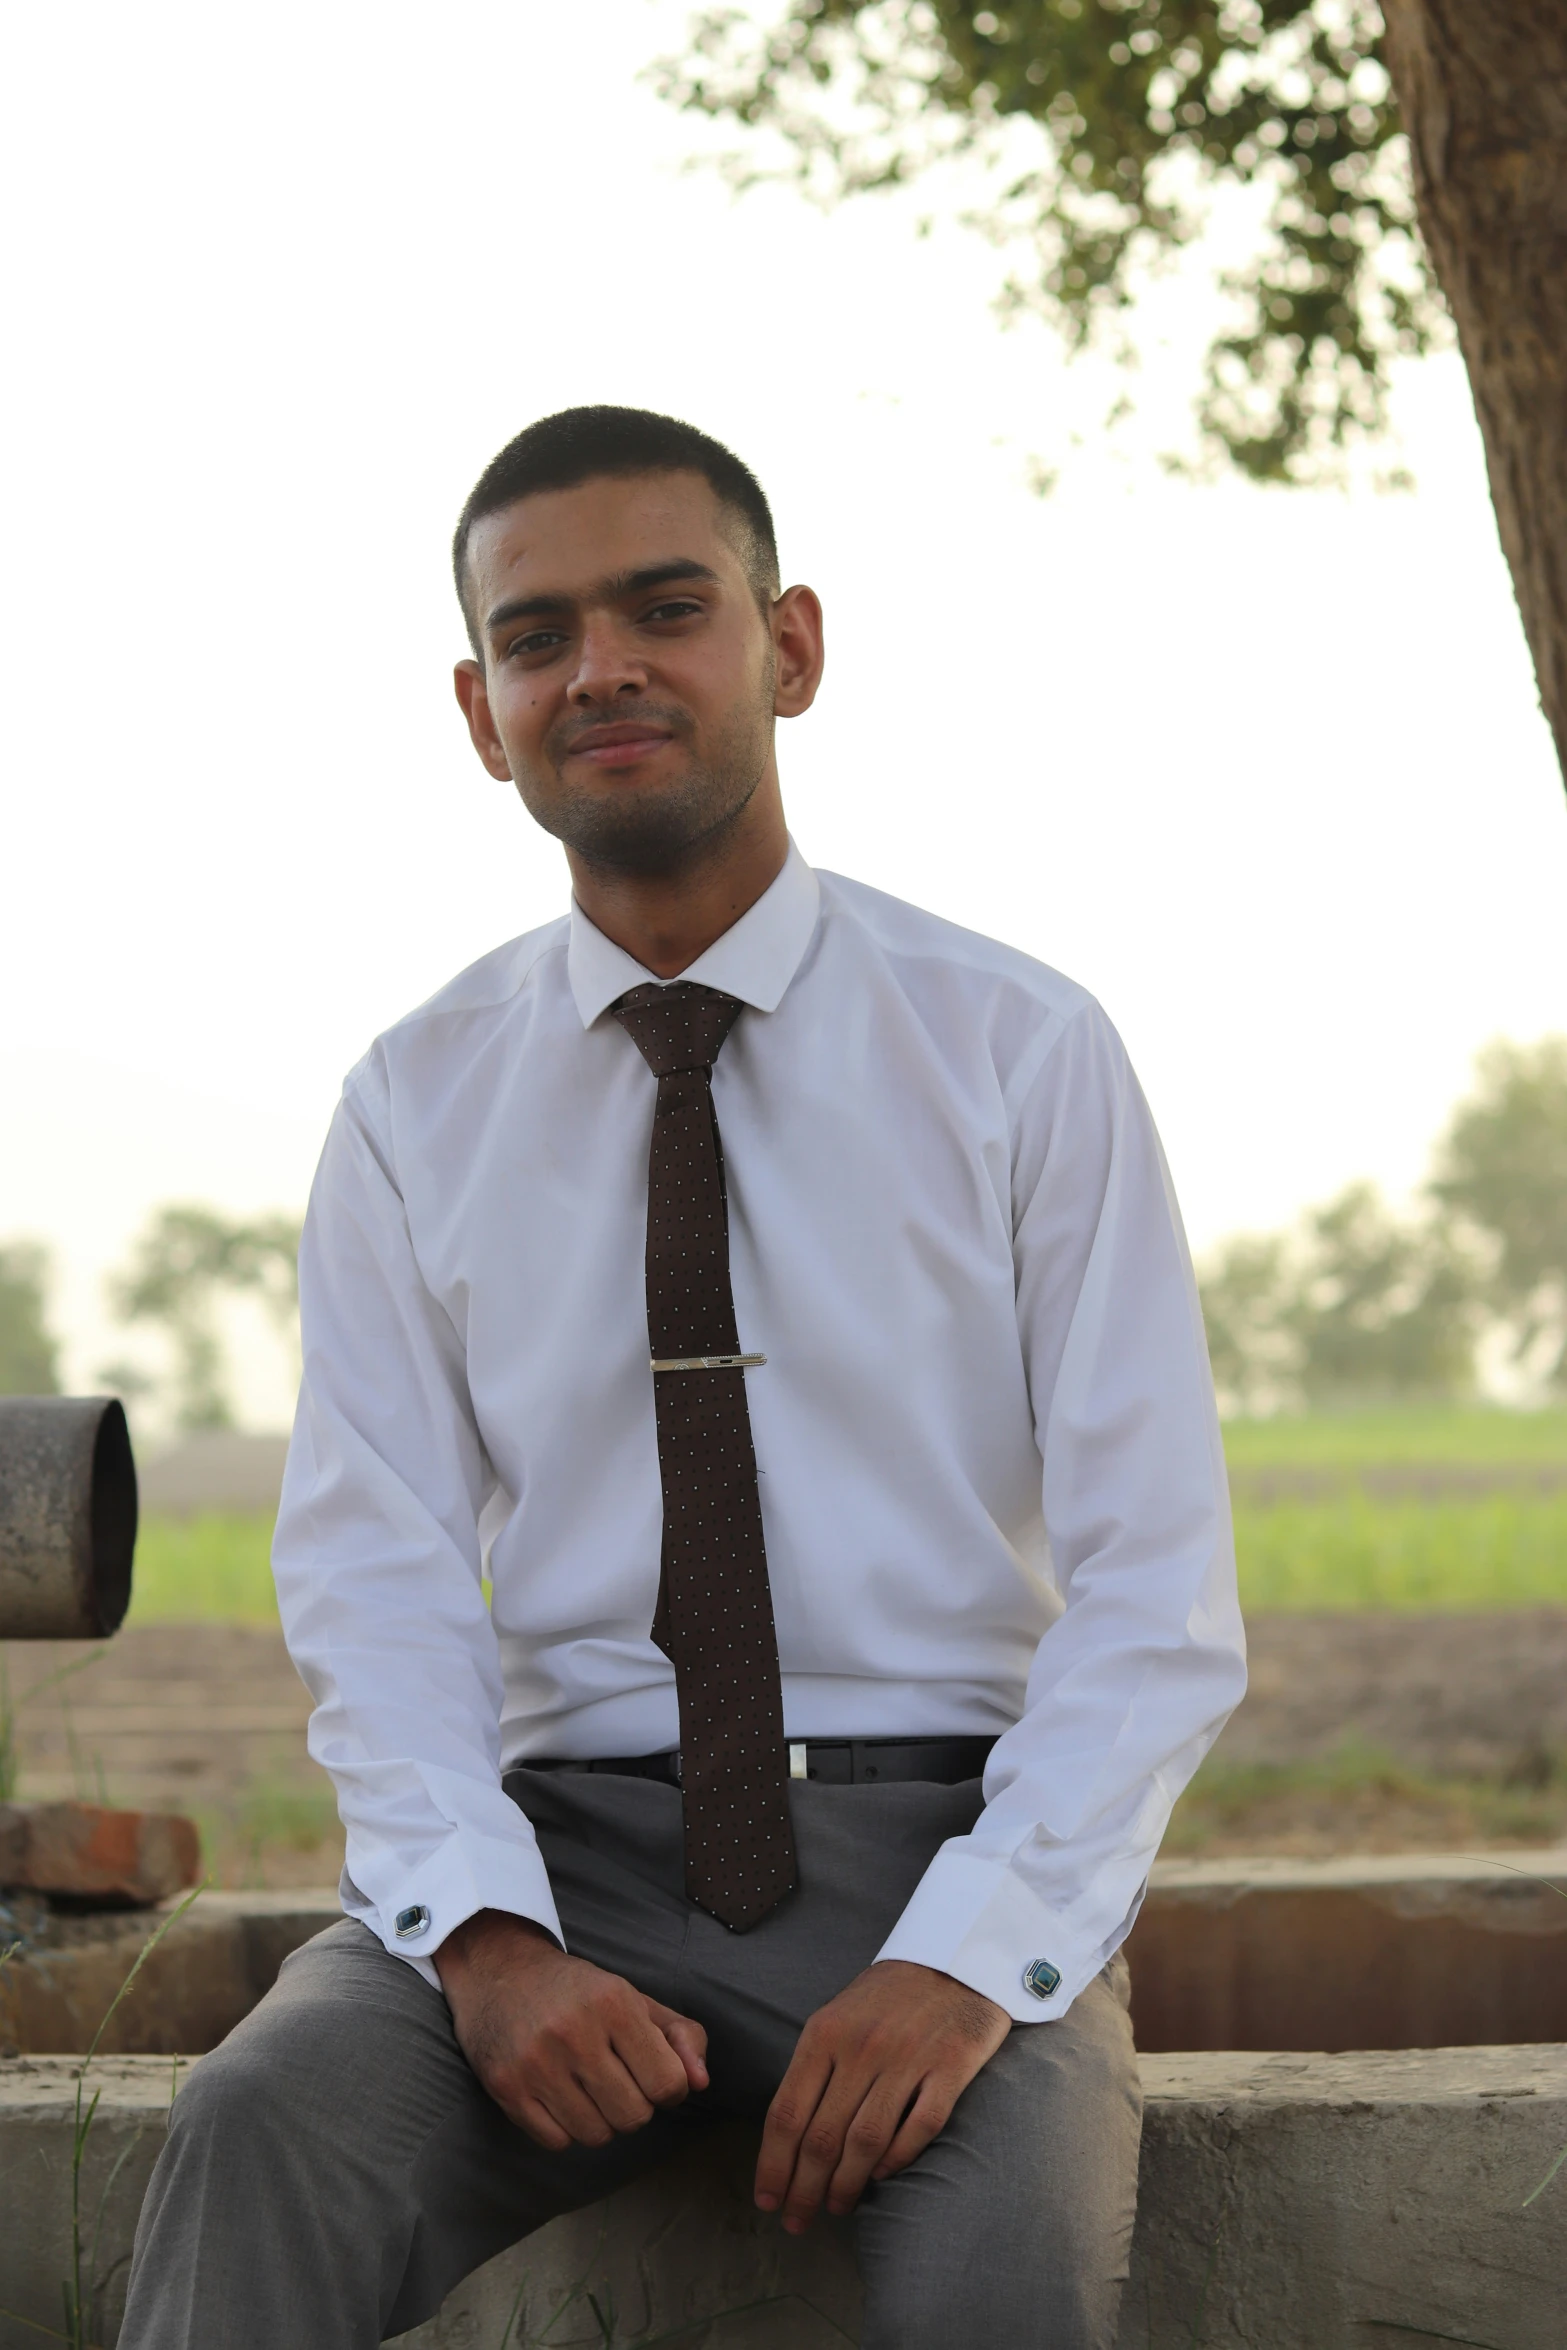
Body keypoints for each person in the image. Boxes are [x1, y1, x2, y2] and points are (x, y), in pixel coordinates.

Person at [119, 405, 1245, 2350]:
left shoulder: (1019, 1048)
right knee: (261, 2120)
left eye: (666, 606)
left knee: (1001, 2278)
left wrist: (970, 1964)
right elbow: (376, 1579)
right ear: (481, 711)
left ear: (789, 645)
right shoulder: (414, 1100)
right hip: (562, 1855)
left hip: (934, 1845)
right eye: (539, 635)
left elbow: (1158, 1593)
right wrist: (480, 1936)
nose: (603, 665)